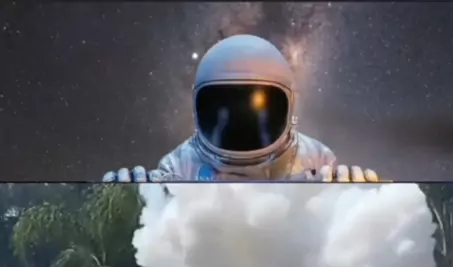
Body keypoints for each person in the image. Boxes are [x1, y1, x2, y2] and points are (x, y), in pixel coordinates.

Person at [103, 34, 379, 183]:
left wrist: (356, 191)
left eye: (258, 105)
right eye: (225, 106)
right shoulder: (181, 164)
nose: (241, 120)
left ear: (290, 106)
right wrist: (132, 193)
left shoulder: (315, 159)